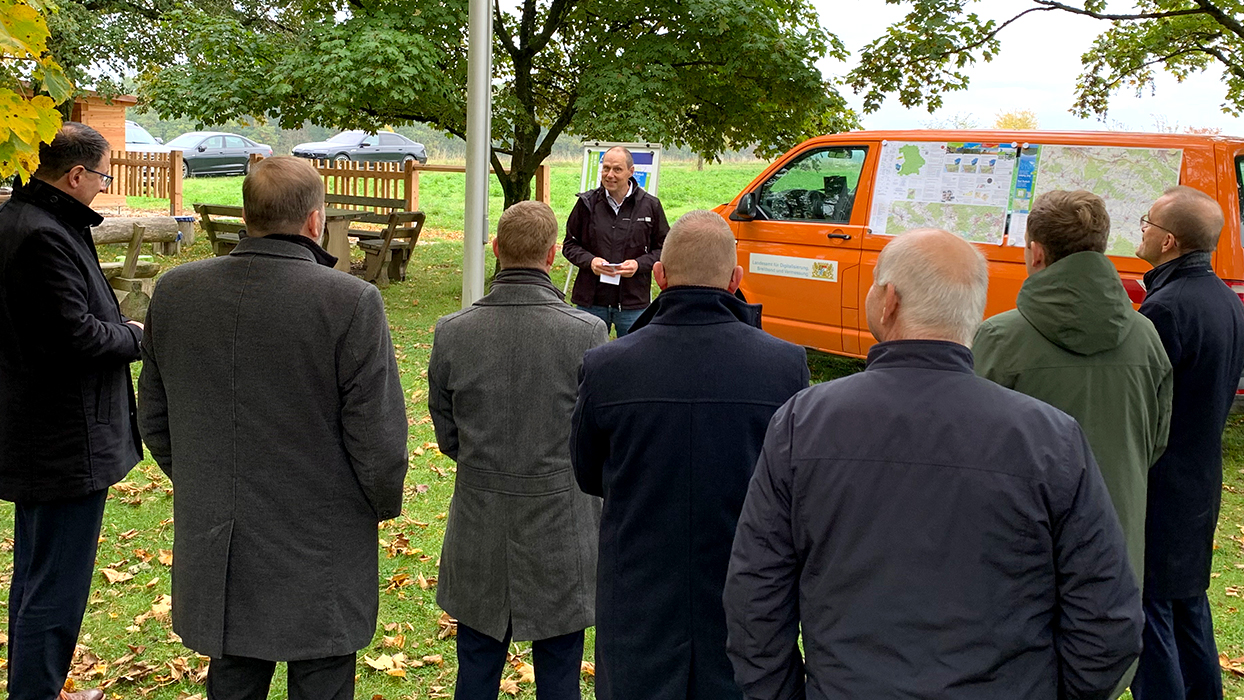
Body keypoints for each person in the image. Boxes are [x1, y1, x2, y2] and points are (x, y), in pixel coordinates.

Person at [724, 228, 1143, 699]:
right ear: (973, 313)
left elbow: (755, 598)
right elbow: (1107, 618)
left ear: (888, 302)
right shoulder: (1049, 437)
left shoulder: (804, 423)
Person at [137, 156, 409, 700]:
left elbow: (156, 419)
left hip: (224, 533)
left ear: (248, 215)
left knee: (234, 673)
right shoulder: (350, 300)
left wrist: (209, 480)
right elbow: (377, 438)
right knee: (323, 677)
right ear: (315, 221)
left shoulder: (176, 291)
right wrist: (379, 504)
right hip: (321, 534)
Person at [570, 210, 808, 700]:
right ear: (736, 279)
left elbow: (588, 472)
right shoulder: (784, 366)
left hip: (637, 595)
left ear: (658, 276)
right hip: (747, 601)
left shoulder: (608, 365)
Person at [973, 190, 1172, 695]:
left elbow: (969, 451)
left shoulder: (998, 338)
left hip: (1014, 549)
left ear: (1035, 252)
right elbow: (1154, 441)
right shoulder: (1146, 336)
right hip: (1114, 542)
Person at [429, 201, 607, 700]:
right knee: (559, 676)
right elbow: (594, 435)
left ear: (496, 250)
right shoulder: (587, 333)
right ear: (554, 254)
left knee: (477, 670)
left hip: (480, 520)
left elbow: (448, 433)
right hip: (560, 524)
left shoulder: (453, 331)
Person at [0, 123, 142, 700]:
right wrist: (134, 335)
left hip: (40, 431)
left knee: (36, 575)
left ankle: (35, 688)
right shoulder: (41, 233)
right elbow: (74, 336)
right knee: (55, 583)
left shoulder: (25, 219)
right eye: (103, 177)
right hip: (62, 437)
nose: (103, 189)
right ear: (76, 174)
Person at [1130, 186, 1244, 700]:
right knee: (1188, 607)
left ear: (1169, 239)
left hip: (1162, 483)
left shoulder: (1167, 309)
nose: (1142, 229)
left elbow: (1145, 403)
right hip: (1200, 477)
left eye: (1146, 222)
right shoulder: (1224, 298)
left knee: (1153, 615)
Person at [562, 146, 669, 336]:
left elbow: (664, 249)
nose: (610, 175)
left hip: (632, 303)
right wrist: (590, 261)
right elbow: (570, 244)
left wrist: (638, 264)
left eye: (617, 169)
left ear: (631, 171)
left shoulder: (650, 206)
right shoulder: (586, 203)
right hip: (591, 301)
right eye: (606, 168)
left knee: (633, 360)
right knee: (587, 358)